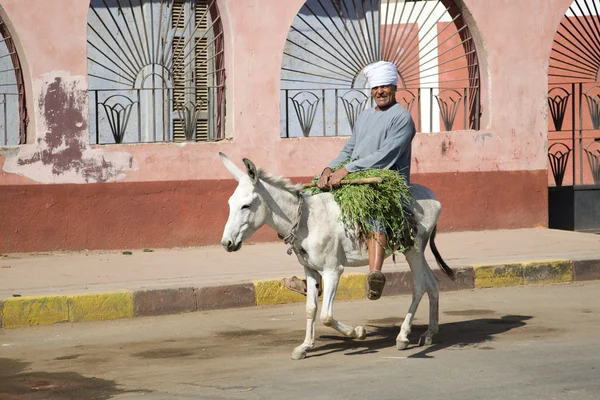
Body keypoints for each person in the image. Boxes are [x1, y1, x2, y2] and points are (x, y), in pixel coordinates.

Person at [282, 61, 417, 301]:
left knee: (375, 210)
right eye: (376, 88)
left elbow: (385, 155)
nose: (380, 92)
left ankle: (375, 275)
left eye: (385, 86)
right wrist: (329, 169)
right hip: (356, 175)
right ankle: (314, 276)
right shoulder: (364, 116)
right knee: (314, 202)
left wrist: (346, 170)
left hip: (385, 177)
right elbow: (350, 148)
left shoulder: (402, 118)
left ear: (394, 88)